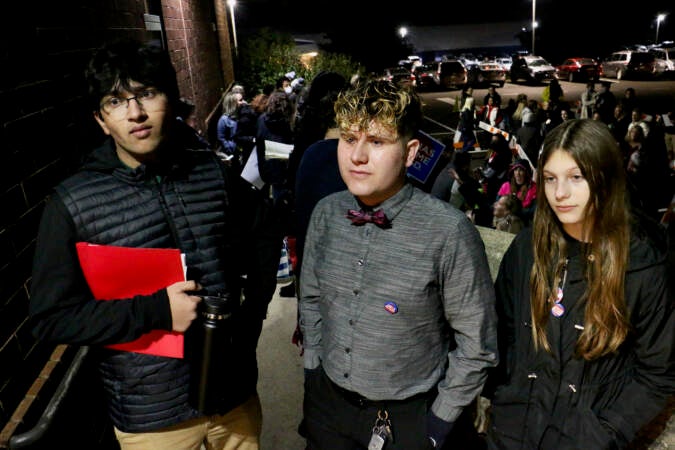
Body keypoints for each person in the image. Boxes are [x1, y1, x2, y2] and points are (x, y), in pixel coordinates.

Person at [28, 39, 275, 450]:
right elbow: (51, 318)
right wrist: (155, 311)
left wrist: (251, 317)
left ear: (169, 99)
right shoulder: (72, 203)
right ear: (101, 120)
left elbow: (264, 230)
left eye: (146, 93)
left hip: (234, 399)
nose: (136, 113)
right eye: (115, 101)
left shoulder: (209, 170)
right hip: (152, 419)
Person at [299, 79, 498, 450]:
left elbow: (478, 344)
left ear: (409, 153)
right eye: (348, 138)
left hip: (408, 421)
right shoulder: (326, 214)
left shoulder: (449, 231)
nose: (357, 155)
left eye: (376, 142)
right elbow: (310, 298)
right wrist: (312, 369)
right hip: (327, 408)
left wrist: (438, 422)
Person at [485, 119, 674, 449]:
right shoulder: (527, 250)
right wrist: (505, 401)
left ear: (604, 180)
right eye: (549, 179)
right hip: (512, 436)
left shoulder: (642, 264)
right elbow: (504, 332)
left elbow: (657, 372)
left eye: (576, 177)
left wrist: (603, 432)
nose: (560, 193)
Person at [497, 158, 537, 224]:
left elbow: (534, 210)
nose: (518, 173)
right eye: (515, 170)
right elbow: (497, 203)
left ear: (526, 173)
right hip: (504, 221)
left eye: (521, 170)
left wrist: (515, 212)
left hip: (525, 222)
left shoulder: (534, 188)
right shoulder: (505, 186)